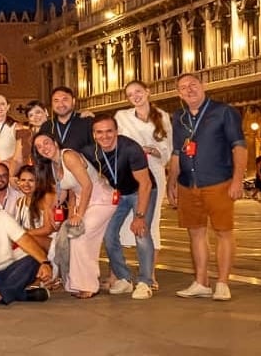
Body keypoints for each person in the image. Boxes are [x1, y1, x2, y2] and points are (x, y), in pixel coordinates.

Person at [167, 73, 246, 301]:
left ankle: (222, 282)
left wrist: (238, 180)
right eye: (183, 87)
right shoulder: (178, 117)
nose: (189, 90)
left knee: (223, 232)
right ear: (178, 93)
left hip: (218, 181)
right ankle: (201, 281)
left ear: (203, 86)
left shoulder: (223, 112)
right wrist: (172, 181)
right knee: (196, 234)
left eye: (193, 85)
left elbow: (239, 146)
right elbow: (177, 152)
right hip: (188, 184)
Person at [33, 130, 114, 298]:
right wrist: (53, 205)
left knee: (81, 235)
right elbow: (65, 190)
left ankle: (89, 285)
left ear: (55, 142)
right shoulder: (54, 165)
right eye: (39, 147)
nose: (43, 148)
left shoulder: (68, 156)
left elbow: (87, 186)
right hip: (83, 202)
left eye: (46, 143)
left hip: (101, 200)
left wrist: (79, 214)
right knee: (72, 236)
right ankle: (75, 284)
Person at [89, 113, 156, 300]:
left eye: (109, 131)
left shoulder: (130, 148)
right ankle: (124, 278)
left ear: (117, 131)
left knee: (141, 233)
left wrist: (140, 216)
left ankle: (145, 282)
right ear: (94, 134)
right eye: (99, 132)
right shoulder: (90, 151)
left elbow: (146, 184)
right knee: (108, 234)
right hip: (118, 194)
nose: (105, 136)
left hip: (140, 190)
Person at [114, 80, 170, 251]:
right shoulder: (121, 116)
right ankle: (117, 275)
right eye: (130, 95)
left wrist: (154, 150)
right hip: (130, 173)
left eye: (138, 91)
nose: (135, 97)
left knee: (150, 221)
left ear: (147, 91)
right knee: (121, 222)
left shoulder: (162, 116)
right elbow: (115, 141)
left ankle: (150, 275)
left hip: (154, 170)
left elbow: (168, 148)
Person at [13, 166, 57, 255]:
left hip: (49, 242)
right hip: (28, 242)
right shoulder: (20, 202)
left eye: (31, 180)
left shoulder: (46, 197)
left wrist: (24, 234)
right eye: (23, 180)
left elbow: (48, 229)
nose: (26, 184)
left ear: (38, 182)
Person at [40, 86, 93, 153]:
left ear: (73, 101)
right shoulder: (46, 126)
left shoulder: (86, 122)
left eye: (65, 100)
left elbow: (96, 150)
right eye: (56, 100)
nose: (61, 104)